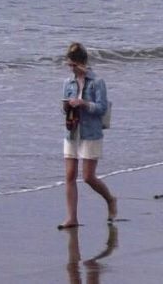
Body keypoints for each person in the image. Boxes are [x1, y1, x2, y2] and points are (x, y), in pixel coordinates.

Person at [59, 42, 116, 228]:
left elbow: (101, 108)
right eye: (69, 65)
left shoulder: (97, 82)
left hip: (91, 133)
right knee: (69, 175)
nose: (71, 68)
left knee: (88, 177)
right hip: (72, 131)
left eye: (74, 64)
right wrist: (67, 106)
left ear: (82, 62)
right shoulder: (68, 83)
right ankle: (71, 217)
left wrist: (83, 103)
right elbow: (63, 108)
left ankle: (110, 199)